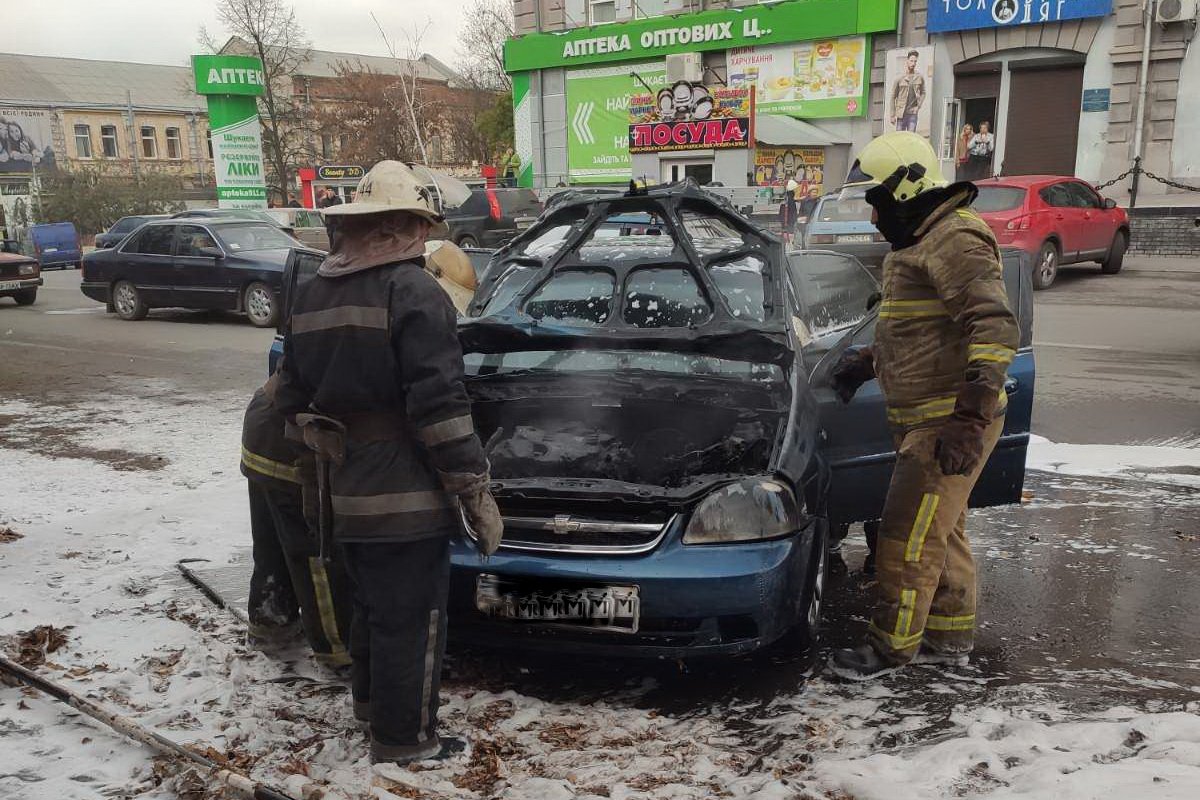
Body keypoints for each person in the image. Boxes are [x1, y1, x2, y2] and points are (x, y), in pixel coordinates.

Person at [274, 160, 503, 765]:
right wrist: (472, 488)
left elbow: (288, 398)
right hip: (405, 495)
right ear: (401, 225)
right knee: (413, 618)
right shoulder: (413, 289)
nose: (425, 239)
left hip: (341, 489)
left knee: (372, 609)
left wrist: (328, 447)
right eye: (421, 227)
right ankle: (407, 741)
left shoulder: (314, 288)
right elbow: (440, 406)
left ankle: (374, 710)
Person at [826, 131, 1018, 680]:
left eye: (877, 200)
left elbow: (994, 326)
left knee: (906, 537)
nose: (872, 215)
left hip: (944, 424)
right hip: (928, 420)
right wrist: (869, 360)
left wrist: (968, 420)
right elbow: (921, 331)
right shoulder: (923, 240)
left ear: (908, 188)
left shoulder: (953, 239)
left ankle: (890, 651)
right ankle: (947, 641)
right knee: (943, 533)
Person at [241, 373, 353, 667]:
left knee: (272, 546)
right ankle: (337, 653)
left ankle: (270, 625)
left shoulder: (326, 336)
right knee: (316, 555)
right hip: (290, 446)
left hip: (263, 429)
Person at [890, 50, 926, 133]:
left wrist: (918, 106)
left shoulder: (919, 77)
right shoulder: (899, 78)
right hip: (901, 114)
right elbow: (893, 97)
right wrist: (892, 115)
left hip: (912, 113)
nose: (913, 63)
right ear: (907, 61)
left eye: (915, 61)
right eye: (911, 61)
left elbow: (923, 92)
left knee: (911, 138)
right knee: (900, 137)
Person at [779, 178, 799, 243]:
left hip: (785, 222)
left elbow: (781, 212)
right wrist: (795, 220)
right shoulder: (790, 199)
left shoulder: (785, 198)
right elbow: (792, 212)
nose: (796, 191)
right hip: (789, 223)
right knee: (790, 238)